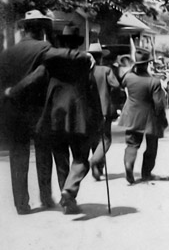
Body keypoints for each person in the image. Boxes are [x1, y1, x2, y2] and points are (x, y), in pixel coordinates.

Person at [0, 11, 92, 215]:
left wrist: (8, 94)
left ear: (23, 28)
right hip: (38, 109)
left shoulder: (7, 53)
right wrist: (85, 56)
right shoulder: (43, 48)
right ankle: (45, 197)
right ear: (41, 29)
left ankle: (21, 205)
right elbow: (65, 56)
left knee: (18, 156)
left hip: (13, 111)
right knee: (43, 153)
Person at [37, 24, 102, 214]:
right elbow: (92, 90)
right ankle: (69, 192)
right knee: (81, 158)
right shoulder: (84, 62)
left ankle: (67, 199)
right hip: (78, 117)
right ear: (77, 43)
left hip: (55, 115)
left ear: (63, 41)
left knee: (61, 158)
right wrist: (98, 117)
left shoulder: (52, 61)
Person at [118, 48, 168, 185]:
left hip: (132, 115)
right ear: (147, 64)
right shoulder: (154, 82)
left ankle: (129, 164)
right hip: (149, 118)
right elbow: (158, 104)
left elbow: (121, 85)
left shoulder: (128, 77)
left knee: (132, 144)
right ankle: (146, 173)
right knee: (152, 147)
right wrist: (162, 119)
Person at [87, 42, 120, 181]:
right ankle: (94, 161)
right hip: (104, 109)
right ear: (100, 57)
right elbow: (116, 85)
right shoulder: (106, 70)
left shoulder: (86, 71)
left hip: (89, 110)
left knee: (95, 139)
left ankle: (99, 168)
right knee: (106, 139)